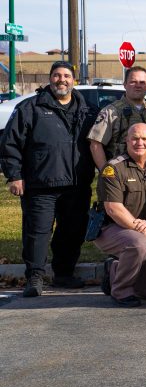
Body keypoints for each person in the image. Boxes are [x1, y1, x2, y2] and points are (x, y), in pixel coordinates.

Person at [1, 61, 97, 296]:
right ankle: (34, 277)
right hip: (41, 184)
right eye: (56, 75)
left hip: (76, 184)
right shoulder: (30, 108)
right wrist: (14, 176)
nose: (61, 80)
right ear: (50, 78)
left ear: (73, 80)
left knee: (72, 231)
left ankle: (64, 274)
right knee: (37, 232)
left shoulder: (88, 111)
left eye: (66, 75)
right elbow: (10, 144)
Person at [93, 123, 146, 307]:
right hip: (112, 228)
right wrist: (145, 232)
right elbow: (113, 208)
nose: (139, 143)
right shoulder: (113, 168)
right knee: (138, 243)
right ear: (127, 140)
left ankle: (114, 269)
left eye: (144, 139)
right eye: (134, 138)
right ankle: (120, 291)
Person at [88, 66, 146, 167]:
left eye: (142, 82)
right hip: (121, 175)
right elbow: (95, 144)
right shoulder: (111, 111)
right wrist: (106, 173)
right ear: (125, 85)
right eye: (133, 82)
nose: (138, 86)